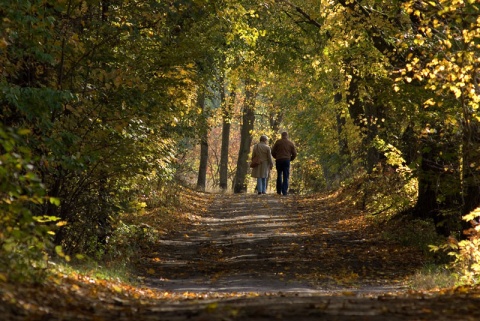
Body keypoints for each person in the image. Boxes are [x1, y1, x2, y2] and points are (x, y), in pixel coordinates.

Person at [271, 131, 297, 196]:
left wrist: (276, 157)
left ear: (281, 135)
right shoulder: (290, 143)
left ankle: (279, 191)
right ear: (287, 136)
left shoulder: (278, 142)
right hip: (286, 160)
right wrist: (290, 159)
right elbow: (294, 154)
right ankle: (284, 191)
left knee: (279, 175)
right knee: (286, 176)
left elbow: (272, 151)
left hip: (279, 160)